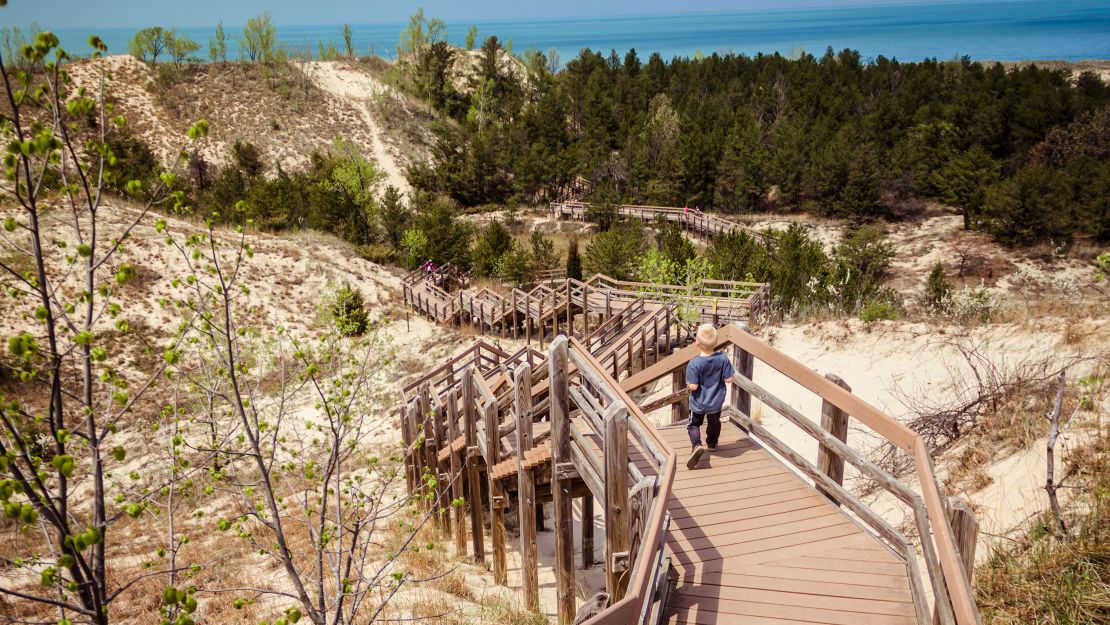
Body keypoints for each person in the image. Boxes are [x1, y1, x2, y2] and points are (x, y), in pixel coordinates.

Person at [685, 323, 734, 469]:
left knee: (693, 424)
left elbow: (693, 386)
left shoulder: (694, 363)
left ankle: (697, 445)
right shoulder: (723, 358)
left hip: (698, 403)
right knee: (714, 422)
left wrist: (688, 384)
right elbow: (729, 379)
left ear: (697, 343)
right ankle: (711, 443)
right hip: (716, 402)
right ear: (716, 342)